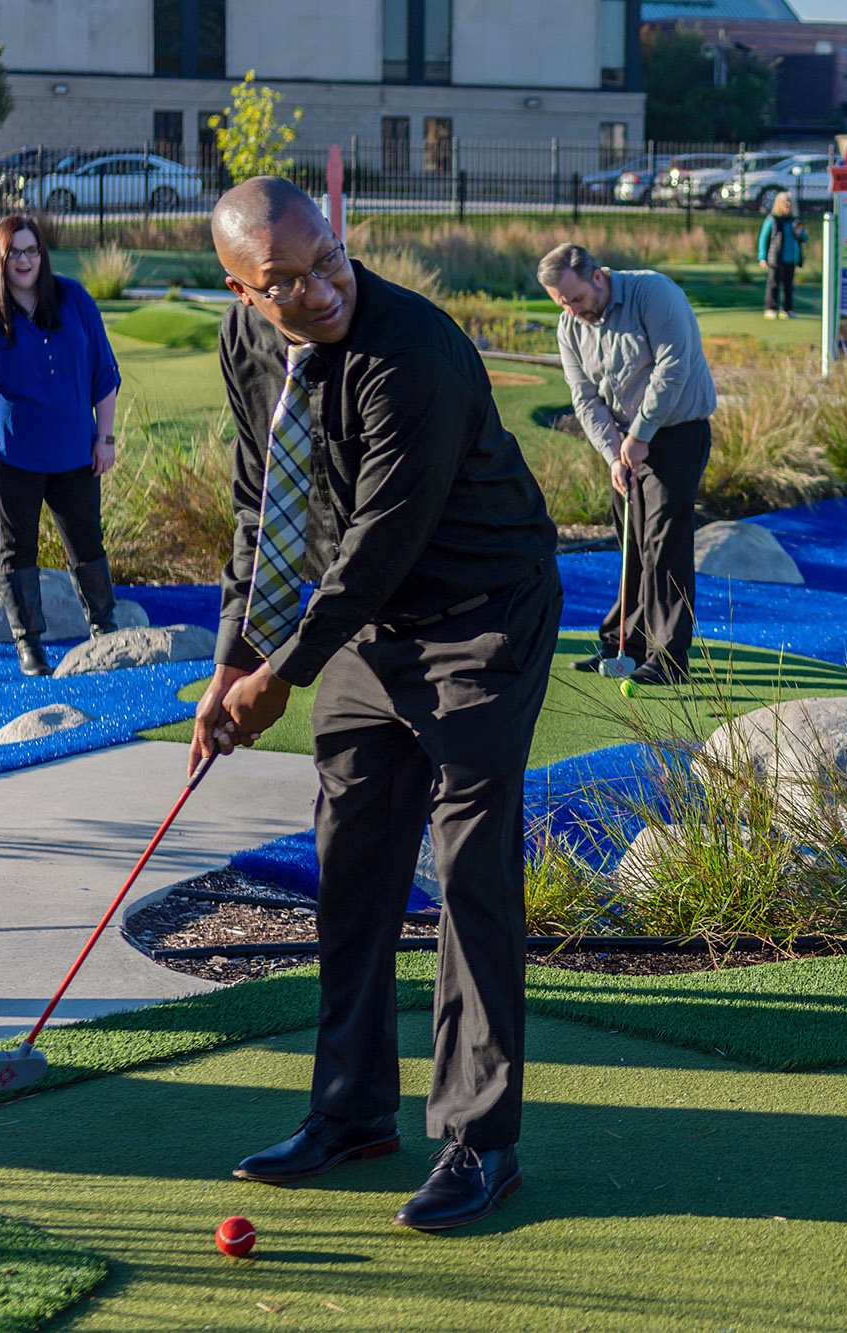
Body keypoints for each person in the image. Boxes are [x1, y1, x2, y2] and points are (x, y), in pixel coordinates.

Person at [193, 177, 561, 1229]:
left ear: (339, 237)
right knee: (350, 861)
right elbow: (260, 498)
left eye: (328, 261)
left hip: (479, 614)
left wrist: (280, 674)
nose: (319, 290)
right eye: (286, 284)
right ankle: (350, 1109)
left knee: (467, 868)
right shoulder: (245, 340)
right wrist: (232, 656)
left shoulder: (417, 354)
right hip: (367, 626)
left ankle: (480, 1140)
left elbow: (376, 545)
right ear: (242, 290)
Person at [0, 214, 121, 675]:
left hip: (74, 443)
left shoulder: (74, 300)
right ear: (0, 258)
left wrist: (105, 438)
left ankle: (106, 629)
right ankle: (29, 646)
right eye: (15, 252)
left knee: (86, 535)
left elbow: (103, 375)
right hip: (7, 447)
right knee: (17, 544)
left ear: (42, 255)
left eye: (32, 251)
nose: (25, 260)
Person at [541, 242, 717, 685]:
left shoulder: (652, 293)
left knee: (665, 543)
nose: (573, 310)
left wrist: (640, 435)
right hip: (624, 442)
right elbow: (583, 396)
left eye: (576, 298)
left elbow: (672, 367)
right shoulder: (570, 325)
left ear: (597, 276)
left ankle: (668, 659)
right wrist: (612, 452)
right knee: (633, 543)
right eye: (562, 303)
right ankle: (625, 644)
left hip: (676, 430)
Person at [757, 192, 808, 319]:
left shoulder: (795, 221)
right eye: (785, 202)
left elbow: (804, 237)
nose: (787, 204)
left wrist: (800, 233)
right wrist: (762, 257)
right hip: (776, 258)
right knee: (773, 284)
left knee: (788, 286)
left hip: (791, 259)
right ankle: (771, 308)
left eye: (789, 202)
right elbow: (764, 238)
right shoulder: (772, 219)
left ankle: (787, 309)